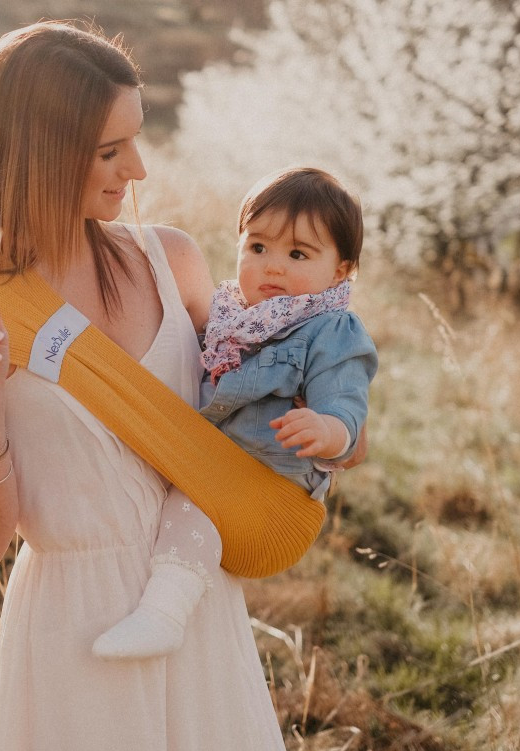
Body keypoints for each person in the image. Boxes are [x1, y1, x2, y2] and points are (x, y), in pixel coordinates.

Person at [0, 21, 361, 751]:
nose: (138, 169)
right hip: (78, 636)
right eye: (110, 151)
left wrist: (341, 425)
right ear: (41, 146)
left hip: (196, 604)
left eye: (135, 141)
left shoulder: (172, 260)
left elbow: (281, 407)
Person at [92, 167, 379, 661]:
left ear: (340, 270)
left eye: (297, 254)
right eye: (258, 248)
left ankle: (164, 615)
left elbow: (346, 408)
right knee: (182, 505)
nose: (272, 267)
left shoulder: (331, 329)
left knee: (192, 511)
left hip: (270, 475)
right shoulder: (232, 317)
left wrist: (326, 430)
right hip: (217, 457)